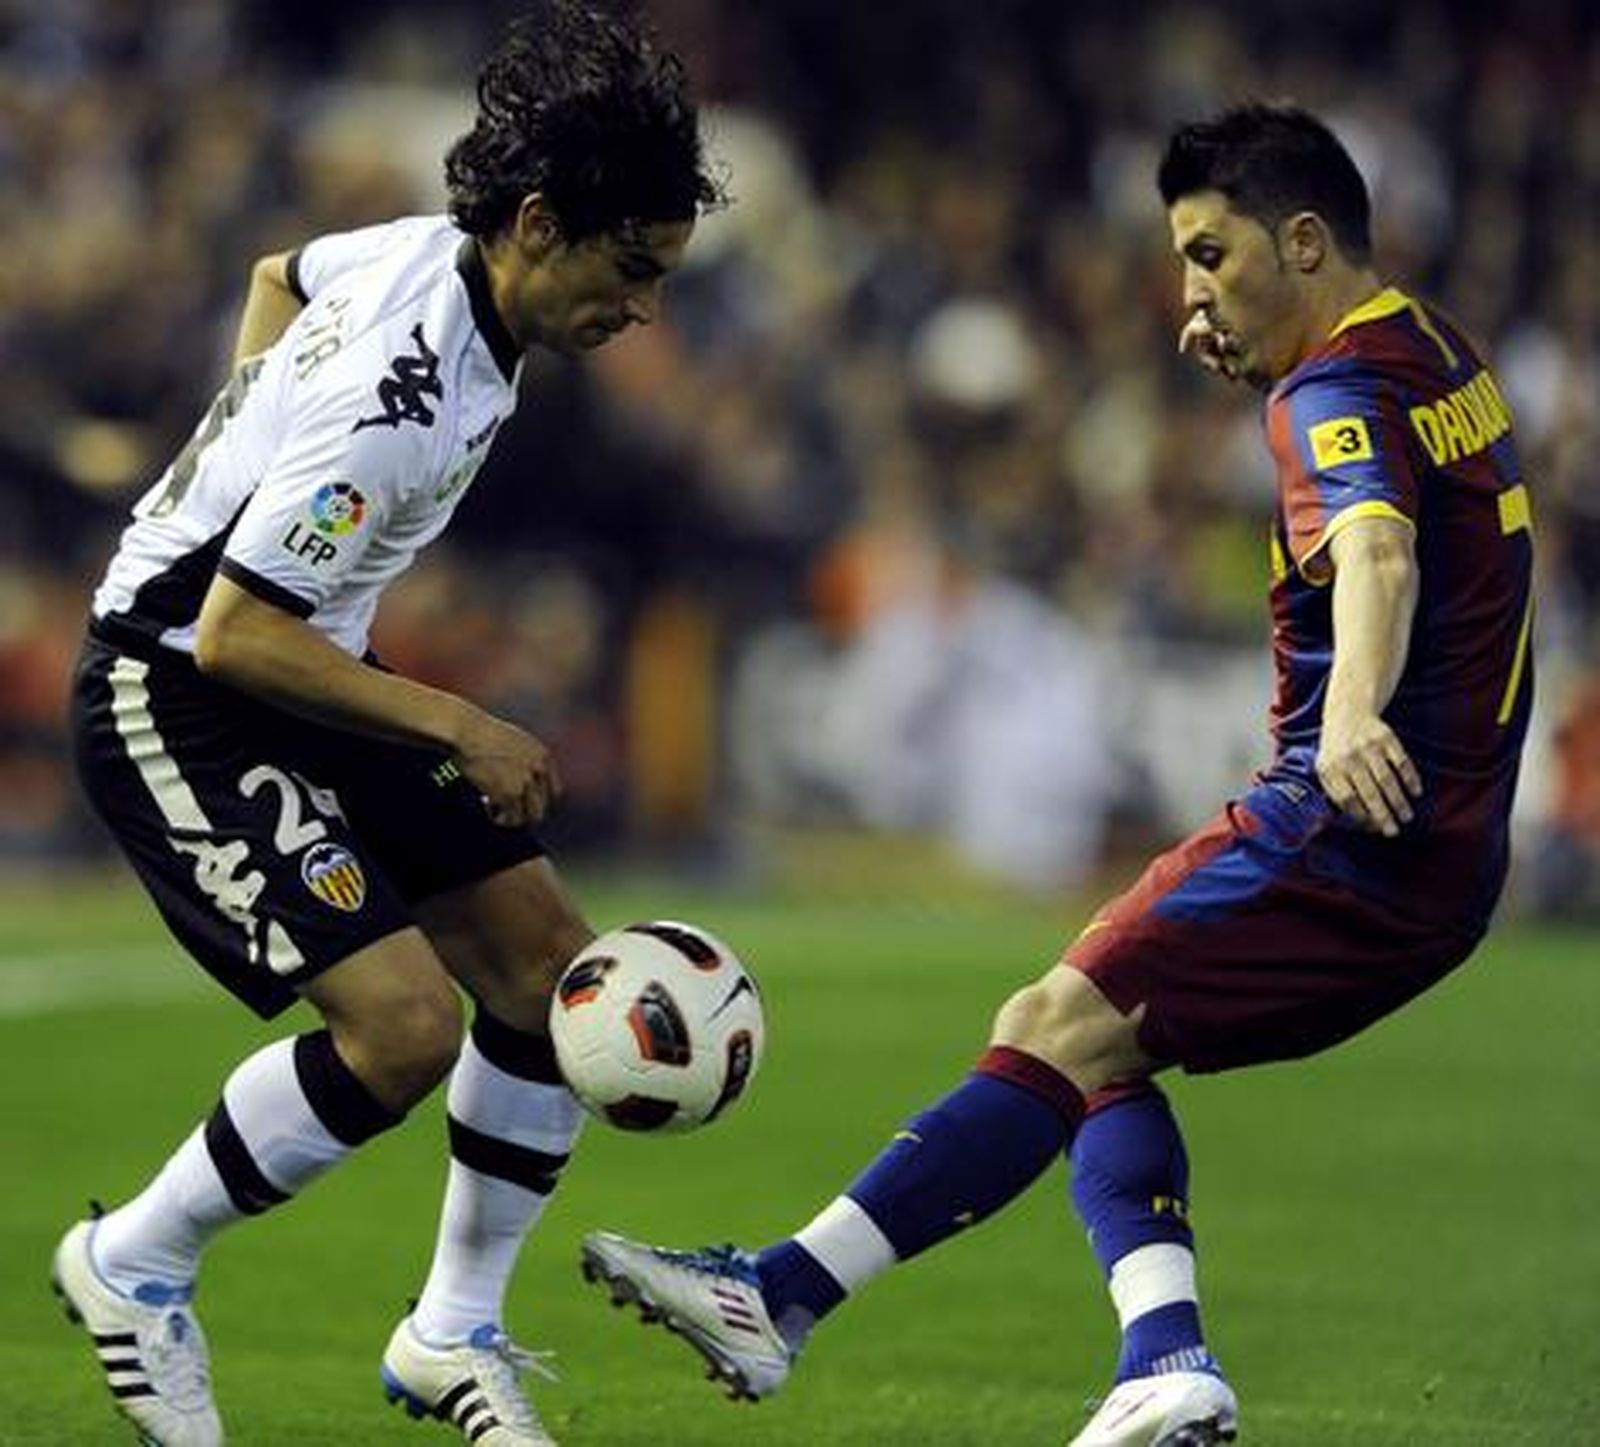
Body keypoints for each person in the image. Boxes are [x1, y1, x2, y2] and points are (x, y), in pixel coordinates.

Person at [579, 102, 1535, 1447]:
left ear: (1306, 242)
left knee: (1051, 1024)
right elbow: (1400, 500)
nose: (1191, 294)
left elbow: (1378, 547)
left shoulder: (1329, 392)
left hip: (1343, 834)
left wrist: (1353, 715)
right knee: (1098, 1046)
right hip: (1446, 854)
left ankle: (779, 1298)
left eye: (1212, 255)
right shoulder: (1434, 349)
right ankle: (1162, 1361)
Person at [51, 5, 721, 1445]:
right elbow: (230, 632)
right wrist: (460, 723)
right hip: (173, 689)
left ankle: (450, 1334)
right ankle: (134, 1265)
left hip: (299, 661)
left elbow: (275, 275)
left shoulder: (427, 253)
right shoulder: (398, 396)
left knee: (545, 974)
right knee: (405, 1030)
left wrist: (238, 440)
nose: (644, 309)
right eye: (632, 270)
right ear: (538, 225)